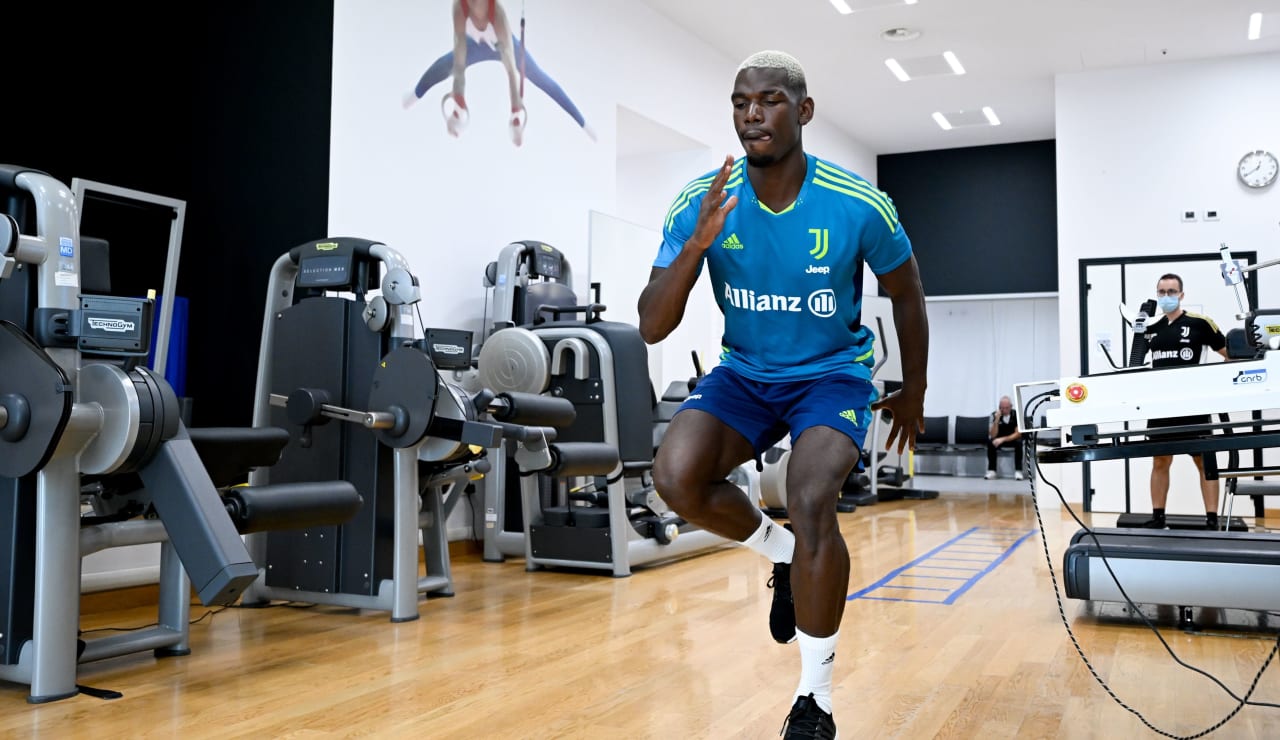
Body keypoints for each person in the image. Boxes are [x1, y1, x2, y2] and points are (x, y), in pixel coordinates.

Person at [636, 50, 928, 739]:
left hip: (832, 375)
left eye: (767, 101)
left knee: (810, 497)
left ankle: (814, 700)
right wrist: (697, 244)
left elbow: (907, 293)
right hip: (744, 374)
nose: (751, 115)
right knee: (675, 478)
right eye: (740, 102)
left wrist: (914, 389)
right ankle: (781, 559)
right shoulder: (700, 201)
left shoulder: (859, 204)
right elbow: (651, 324)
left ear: (803, 112)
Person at [402, 0, 595, 146]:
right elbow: (459, 66)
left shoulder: (498, 15)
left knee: (540, 78)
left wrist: (516, 110)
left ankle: (583, 123)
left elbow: (511, 71)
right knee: (445, 65)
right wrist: (458, 103)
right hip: (473, 47)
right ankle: (414, 95)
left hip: (505, 48)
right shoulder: (459, 7)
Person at [1142, 273, 1227, 530]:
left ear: (1181, 294)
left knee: (1203, 461)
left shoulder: (1201, 323)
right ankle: (1158, 517)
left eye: (1171, 291)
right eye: (1162, 292)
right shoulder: (1151, 329)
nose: (1166, 296)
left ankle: (1212, 520)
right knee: (1160, 460)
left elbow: (1229, 354)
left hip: (1194, 407)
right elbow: (1136, 363)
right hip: (1161, 407)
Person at [984, 396, 1023, 480]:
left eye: (1006, 408)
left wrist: (1002, 439)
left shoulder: (1016, 414)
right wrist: (997, 420)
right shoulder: (993, 415)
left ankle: (1018, 471)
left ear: (1011, 406)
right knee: (990, 442)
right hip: (998, 440)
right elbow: (993, 435)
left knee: (1019, 442)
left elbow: (1018, 434)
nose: (1004, 410)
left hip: (1012, 439)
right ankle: (992, 470)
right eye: (1002, 408)